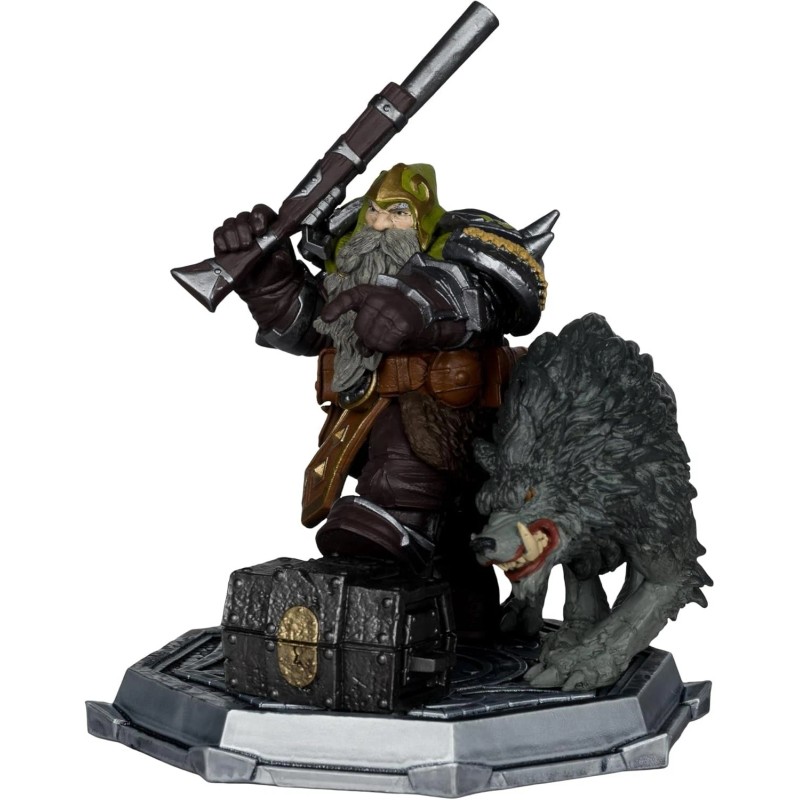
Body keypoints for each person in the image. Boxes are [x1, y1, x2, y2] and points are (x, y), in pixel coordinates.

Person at [214, 163, 556, 636]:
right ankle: (462, 626)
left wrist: (418, 307)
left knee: (408, 508)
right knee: (453, 568)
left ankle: (404, 533)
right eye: (373, 212)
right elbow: (311, 327)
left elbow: (488, 300)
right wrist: (270, 283)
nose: (379, 225)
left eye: (397, 213)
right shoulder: (352, 271)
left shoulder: (460, 269)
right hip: (363, 426)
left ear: (422, 224)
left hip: (450, 435)